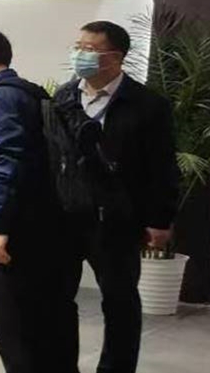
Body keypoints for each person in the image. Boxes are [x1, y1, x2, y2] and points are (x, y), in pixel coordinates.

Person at [55, 21, 179, 373]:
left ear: (115, 57)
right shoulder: (64, 97)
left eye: (89, 50)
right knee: (58, 299)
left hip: (117, 221)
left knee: (119, 301)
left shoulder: (147, 105)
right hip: (67, 217)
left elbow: (162, 167)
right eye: (78, 47)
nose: (79, 55)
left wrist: (159, 220)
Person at [0, 28, 79, 373]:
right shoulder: (28, 92)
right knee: (49, 322)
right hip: (43, 225)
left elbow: (5, 161)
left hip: (17, 233)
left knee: (17, 328)